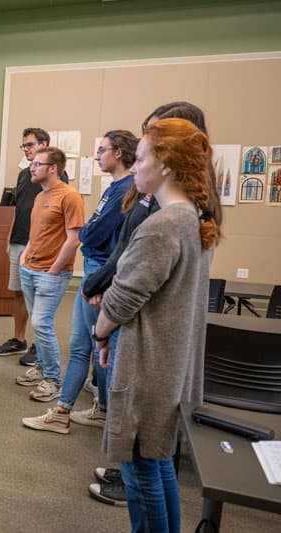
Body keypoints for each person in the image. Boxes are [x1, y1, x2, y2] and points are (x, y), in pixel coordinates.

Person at [93, 117, 221, 532]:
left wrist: (101, 331)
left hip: (148, 369)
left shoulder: (163, 225)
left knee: (141, 473)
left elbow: (124, 296)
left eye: (142, 158)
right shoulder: (190, 218)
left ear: (165, 163)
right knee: (157, 462)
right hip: (167, 364)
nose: (134, 167)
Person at [22, 130, 137, 430]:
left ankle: (87, 411)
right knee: (82, 345)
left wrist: (84, 273)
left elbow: (89, 233)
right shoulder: (115, 188)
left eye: (102, 149)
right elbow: (92, 230)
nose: (97, 155)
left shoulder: (126, 189)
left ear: (119, 153)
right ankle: (74, 410)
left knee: (97, 345)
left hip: (100, 272)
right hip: (94, 269)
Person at [14, 147, 84, 401]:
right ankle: (42, 368)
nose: (31, 168)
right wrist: (25, 257)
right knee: (36, 322)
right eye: (32, 163)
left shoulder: (70, 197)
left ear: (53, 168)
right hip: (30, 268)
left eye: (37, 164)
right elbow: (36, 233)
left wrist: (54, 269)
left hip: (51, 273)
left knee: (42, 324)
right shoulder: (39, 196)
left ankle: (53, 379)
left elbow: (74, 239)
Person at [0, 128, 68, 364]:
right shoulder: (24, 175)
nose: (26, 149)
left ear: (43, 144)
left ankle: (39, 345)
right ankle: (18, 340)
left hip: (41, 247)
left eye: (29, 144)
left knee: (39, 298)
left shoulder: (57, 178)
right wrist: (9, 237)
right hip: (19, 241)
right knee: (17, 292)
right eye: (23, 146)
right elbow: (19, 208)